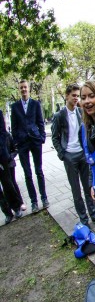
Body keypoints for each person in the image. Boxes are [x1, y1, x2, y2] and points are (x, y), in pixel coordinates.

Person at [51, 84, 95, 227]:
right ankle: (83, 219)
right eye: (74, 96)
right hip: (69, 156)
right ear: (67, 96)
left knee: (89, 187)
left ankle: (94, 215)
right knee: (76, 190)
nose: (77, 99)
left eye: (78, 96)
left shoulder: (82, 112)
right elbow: (55, 137)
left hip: (83, 155)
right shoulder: (59, 115)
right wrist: (62, 154)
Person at [10, 80, 49, 212]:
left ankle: (44, 198)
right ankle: (34, 202)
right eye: (21, 88)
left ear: (28, 89)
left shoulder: (35, 104)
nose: (23, 89)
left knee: (39, 171)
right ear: (19, 89)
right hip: (22, 143)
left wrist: (42, 136)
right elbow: (13, 127)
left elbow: (40, 121)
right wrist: (16, 141)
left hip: (35, 140)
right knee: (27, 174)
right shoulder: (15, 107)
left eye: (25, 87)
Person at [0, 111, 24, 224]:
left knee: (8, 184)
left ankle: (16, 207)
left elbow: (3, 134)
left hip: (3, 159)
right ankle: (7, 212)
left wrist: (6, 156)